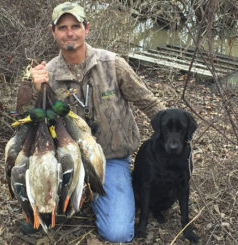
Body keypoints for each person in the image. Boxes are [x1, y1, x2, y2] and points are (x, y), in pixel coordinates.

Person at [28, 2, 165, 243]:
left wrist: (176, 135)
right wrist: (37, 91)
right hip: (68, 160)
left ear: (86, 28)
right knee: (40, 207)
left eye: (75, 26)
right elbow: (32, 124)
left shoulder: (112, 64)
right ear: (53, 32)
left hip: (110, 160)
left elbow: (150, 103)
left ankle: (104, 193)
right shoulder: (47, 73)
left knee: (118, 234)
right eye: (62, 27)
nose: (69, 32)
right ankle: (61, 199)